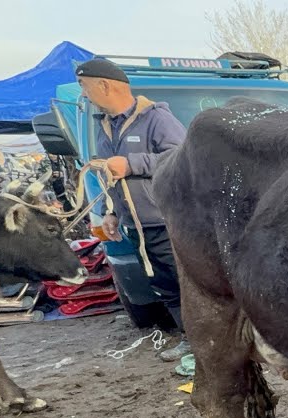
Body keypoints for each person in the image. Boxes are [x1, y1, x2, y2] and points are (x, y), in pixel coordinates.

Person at [75, 57, 191, 362]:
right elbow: (109, 177)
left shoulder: (156, 119)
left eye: (84, 87)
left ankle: (211, 346)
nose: (84, 95)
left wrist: (132, 163)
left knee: (187, 285)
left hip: (167, 221)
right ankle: (192, 343)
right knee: (164, 286)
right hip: (136, 226)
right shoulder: (105, 127)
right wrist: (111, 212)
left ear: (105, 85)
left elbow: (182, 157)